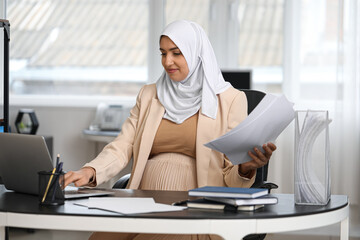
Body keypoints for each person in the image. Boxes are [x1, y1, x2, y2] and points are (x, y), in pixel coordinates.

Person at [64, 20, 277, 240]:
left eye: (176, 53)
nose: (168, 61)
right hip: (140, 204)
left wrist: (245, 168)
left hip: (196, 209)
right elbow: (122, 145)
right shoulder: (149, 94)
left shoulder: (231, 100)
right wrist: (90, 171)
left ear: (196, 54)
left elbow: (231, 179)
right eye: (163, 53)